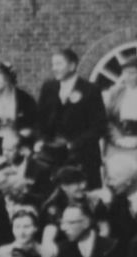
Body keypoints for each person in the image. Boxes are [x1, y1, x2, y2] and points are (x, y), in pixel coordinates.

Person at [37, 49, 106, 187]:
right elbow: (40, 119)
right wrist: (41, 140)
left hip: (82, 153)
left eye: (59, 64)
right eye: (53, 64)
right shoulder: (49, 87)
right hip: (52, 152)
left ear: (72, 66)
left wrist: (73, 144)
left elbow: (98, 126)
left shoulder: (90, 90)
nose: (54, 68)